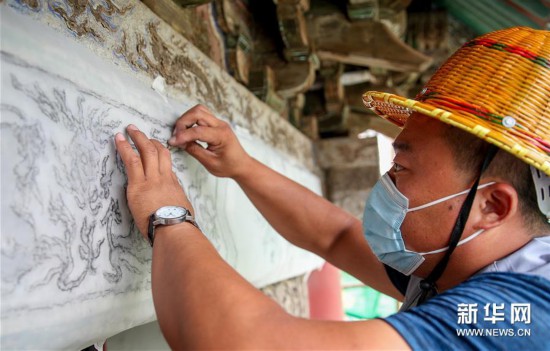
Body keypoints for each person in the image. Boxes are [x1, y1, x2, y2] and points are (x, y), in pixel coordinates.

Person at [114, 26, 550, 349]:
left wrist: (168, 216)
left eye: (402, 166)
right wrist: (241, 166)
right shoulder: (456, 260)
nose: (389, 182)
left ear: (492, 206)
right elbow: (335, 236)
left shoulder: (520, 322)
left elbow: (247, 343)